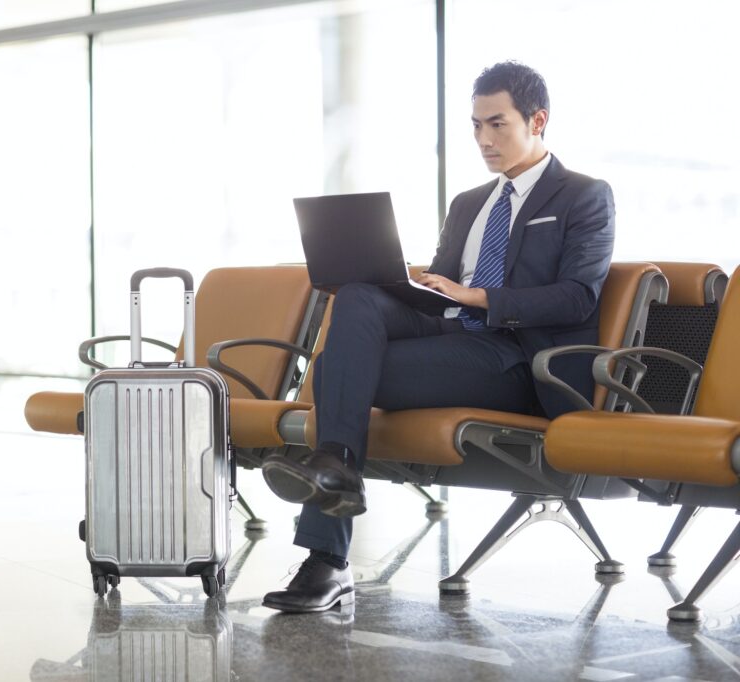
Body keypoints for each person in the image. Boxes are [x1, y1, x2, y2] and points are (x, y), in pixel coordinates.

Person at [260, 61, 616, 613]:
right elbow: (442, 287)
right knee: (356, 293)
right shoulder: (471, 203)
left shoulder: (584, 196)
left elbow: (578, 297)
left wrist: (480, 297)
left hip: (517, 357)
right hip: (450, 334)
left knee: (332, 371)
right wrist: (400, 279)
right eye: (475, 125)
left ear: (537, 120)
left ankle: (326, 556)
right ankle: (336, 466)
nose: (483, 139)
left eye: (496, 124)